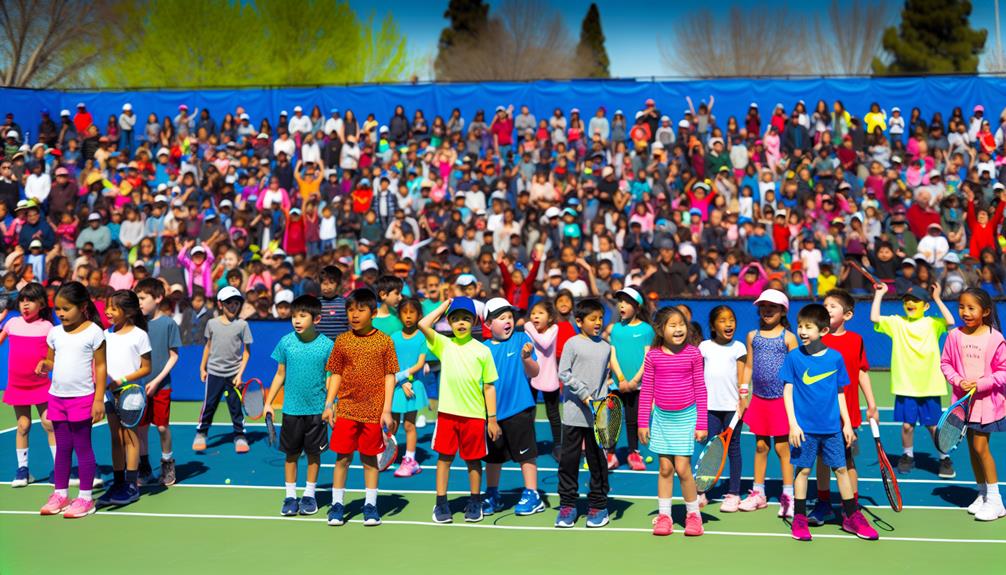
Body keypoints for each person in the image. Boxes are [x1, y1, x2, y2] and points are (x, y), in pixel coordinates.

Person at [782, 303, 878, 541]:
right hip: (804, 430)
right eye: (800, 326)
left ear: (823, 331)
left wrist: (846, 423)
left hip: (832, 428)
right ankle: (800, 519)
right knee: (803, 470)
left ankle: (852, 517)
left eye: (808, 327)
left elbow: (840, 393)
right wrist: (793, 424)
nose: (802, 331)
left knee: (842, 469)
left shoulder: (835, 358)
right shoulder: (794, 357)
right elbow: (787, 391)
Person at [419, 297, 499, 524]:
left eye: (466, 318)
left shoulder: (483, 351)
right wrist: (444, 306)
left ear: (474, 321)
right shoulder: (444, 344)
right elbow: (423, 324)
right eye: (455, 319)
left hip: (474, 417)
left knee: (473, 461)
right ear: (449, 322)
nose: (461, 323)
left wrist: (491, 419)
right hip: (446, 415)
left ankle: (475, 501)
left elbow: (489, 386)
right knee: (444, 459)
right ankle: (441, 502)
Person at [323, 288, 397, 527]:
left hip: (373, 412)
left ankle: (371, 505)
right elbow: (335, 373)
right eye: (350, 310)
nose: (354, 315)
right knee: (342, 458)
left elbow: (390, 376)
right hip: (346, 410)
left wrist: (386, 409)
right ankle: (337, 505)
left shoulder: (384, 341)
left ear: (373, 313)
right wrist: (329, 404)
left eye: (360, 310)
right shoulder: (342, 341)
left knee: (369, 460)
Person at [871, 282, 956, 477]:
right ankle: (907, 455)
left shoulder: (933, 323)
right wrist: (880, 294)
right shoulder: (896, 322)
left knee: (933, 426)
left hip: (930, 385)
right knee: (907, 425)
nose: (910, 303)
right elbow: (874, 317)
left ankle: (944, 457)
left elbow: (950, 321)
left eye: (916, 300)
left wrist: (937, 298)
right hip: (905, 385)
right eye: (907, 300)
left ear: (925, 306)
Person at [37, 282, 106, 518]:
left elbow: (101, 366)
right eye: (57, 309)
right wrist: (44, 365)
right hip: (57, 398)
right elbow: (51, 361)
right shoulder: (54, 333)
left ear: (83, 306)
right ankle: (61, 494)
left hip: (83, 398)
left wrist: (98, 399)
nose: (61, 314)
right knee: (63, 448)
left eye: (66, 308)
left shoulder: (94, 332)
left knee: (83, 447)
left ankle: (86, 498)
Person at [811, 288, 879, 525]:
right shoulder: (815, 340)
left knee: (847, 461)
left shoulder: (856, 340)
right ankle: (823, 503)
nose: (826, 309)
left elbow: (861, 372)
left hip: (847, 415)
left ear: (847, 315)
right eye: (825, 305)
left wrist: (871, 404)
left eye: (832, 306)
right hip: (819, 414)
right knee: (821, 460)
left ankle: (852, 506)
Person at [639, 306, 708, 536]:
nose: (679, 329)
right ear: (660, 330)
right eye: (673, 325)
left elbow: (701, 388)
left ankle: (693, 516)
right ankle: (664, 516)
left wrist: (702, 424)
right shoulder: (653, 356)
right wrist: (642, 422)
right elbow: (647, 390)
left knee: (682, 468)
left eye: (682, 324)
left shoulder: (693, 354)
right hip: (661, 418)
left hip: (687, 417)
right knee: (665, 468)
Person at [940, 288, 1006, 521]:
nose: (965, 312)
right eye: (961, 307)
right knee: (971, 448)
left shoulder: (995, 338)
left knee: (980, 448)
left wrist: (981, 384)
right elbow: (946, 363)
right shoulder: (954, 336)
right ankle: (983, 494)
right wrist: (958, 381)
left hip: (987, 404)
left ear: (985, 311)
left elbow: (1003, 372)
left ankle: (996, 501)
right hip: (963, 405)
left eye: (971, 308)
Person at [264, 295, 333, 517]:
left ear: (317, 318)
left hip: (316, 410)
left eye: (302, 316)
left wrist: (330, 405)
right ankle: (291, 496)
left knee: (314, 455)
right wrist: (268, 402)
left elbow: (332, 378)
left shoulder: (327, 346)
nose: (297, 320)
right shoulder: (286, 342)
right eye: (294, 316)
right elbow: (280, 374)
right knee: (291, 454)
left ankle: (309, 495)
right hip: (291, 410)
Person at [479, 297, 543, 516]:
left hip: (519, 409)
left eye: (509, 316)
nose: (508, 321)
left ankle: (533, 494)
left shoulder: (520, 340)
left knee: (526, 455)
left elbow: (534, 372)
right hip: (493, 415)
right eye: (501, 317)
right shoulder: (483, 350)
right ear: (488, 324)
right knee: (493, 457)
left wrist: (526, 358)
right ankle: (492, 493)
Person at [740, 289, 798, 515]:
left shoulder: (789, 338)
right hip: (759, 400)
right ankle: (758, 493)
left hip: (782, 401)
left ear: (783, 311)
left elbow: (795, 370)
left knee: (783, 448)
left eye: (772, 307)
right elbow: (749, 366)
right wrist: (744, 393)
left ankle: (788, 495)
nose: (766, 310)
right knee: (761, 446)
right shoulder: (752, 336)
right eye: (763, 306)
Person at [555, 298, 612, 528]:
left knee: (598, 461)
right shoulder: (572, 344)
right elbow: (564, 373)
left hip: (598, 414)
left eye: (600, 318)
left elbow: (605, 378)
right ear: (579, 321)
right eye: (592, 319)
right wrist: (584, 395)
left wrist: (602, 400)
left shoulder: (606, 347)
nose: (598, 322)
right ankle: (568, 505)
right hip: (573, 414)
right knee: (569, 460)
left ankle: (598, 505)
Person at [95, 290, 151, 508]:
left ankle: (131, 484)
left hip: (131, 394)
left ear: (127, 312)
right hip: (110, 394)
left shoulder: (140, 335)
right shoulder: (105, 335)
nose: (108, 311)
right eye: (107, 307)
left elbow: (147, 368)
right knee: (115, 437)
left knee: (130, 437)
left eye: (113, 308)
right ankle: (118, 483)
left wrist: (122, 381)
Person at [2, 283, 55, 487]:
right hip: (18, 385)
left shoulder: (47, 327)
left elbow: (54, 356)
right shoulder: (12, 323)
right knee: (23, 426)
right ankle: (23, 470)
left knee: (49, 423)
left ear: (41, 304)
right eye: (23, 300)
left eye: (30, 300)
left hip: (41, 385)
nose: (25, 305)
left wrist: (47, 364)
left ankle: (59, 468)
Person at [697, 304, 747, 511]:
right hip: (709, 407)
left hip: (732, 407)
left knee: (733, 448)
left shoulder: (739, 347)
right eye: (723, 320)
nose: (728, 324)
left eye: (732, 320)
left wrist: (743, 399)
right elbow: (698, 376)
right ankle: (702, 492)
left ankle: (734, 493)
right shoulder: (704, 347)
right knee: (710, 449)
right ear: (713, 326)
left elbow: (742, 377)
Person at [193, 286, 253, 453]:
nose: (233, 306)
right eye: (228, 303)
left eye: (235, 303)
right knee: (209, 404)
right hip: (214, 372)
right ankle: (202, 433)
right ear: (220, 305)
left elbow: (247, 353)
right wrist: (202, 368)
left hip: (234, 375)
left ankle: (240, 436)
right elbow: (208, 346)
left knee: (235, 406)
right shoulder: (212, 324)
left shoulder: (242, 325)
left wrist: (240, 374)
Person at [134, 278, 181, 487]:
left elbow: (173, 356)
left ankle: (167, 463)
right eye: (137, 298)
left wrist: (156, 381)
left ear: (158, 298)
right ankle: (144, 468)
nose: (139, 302)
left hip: (161, 386)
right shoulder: (135, 325)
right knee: (141, 428)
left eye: (143, 298)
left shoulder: (169, 323)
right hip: (138, 387)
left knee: (162, 427)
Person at [604, 286, 654, 470]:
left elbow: (647, 358)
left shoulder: (647, 330)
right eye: (620, 302)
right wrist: (622, 379)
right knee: (614, 419)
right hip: (617, 385)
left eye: (627, 302)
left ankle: (634, 453)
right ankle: (610, 454)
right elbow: (613, 355)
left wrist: (634, 382)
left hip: (637, 387)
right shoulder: (615, 329)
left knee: (633, 421)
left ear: (638, 307)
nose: (621, 306)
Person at [390, 297, 428, 478]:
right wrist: (400, 381)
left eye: (412, 312)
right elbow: (390, 362)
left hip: (413, 386)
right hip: (396, 386)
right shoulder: (394, 337)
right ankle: (388, 454)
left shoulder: (422, 337)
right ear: (399, 316)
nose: (408, 316)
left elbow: (420, 364)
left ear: (419, 315)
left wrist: (403, 378)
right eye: (404, 313)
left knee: (410, 425)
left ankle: (410, 460)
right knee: (392, 425)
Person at [524, 299, 561, 461]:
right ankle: (529, 444)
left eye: (540, 313)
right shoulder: (528, 331)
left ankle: (558, 445)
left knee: (553, 413)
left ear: (550, 318)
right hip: (530, 376)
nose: (535, 317)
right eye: (533, 313)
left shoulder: (554, 328)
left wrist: (528, 326)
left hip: (549, 376)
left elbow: (545, 343)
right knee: (528, 413)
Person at [317, 265, 349, 341]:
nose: (327, 286)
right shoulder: (315, 303)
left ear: (338, 284)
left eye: (331, 282)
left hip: (340, 345)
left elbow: (349, 325)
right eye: (323, 283)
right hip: (320, 346)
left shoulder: (345, 303)